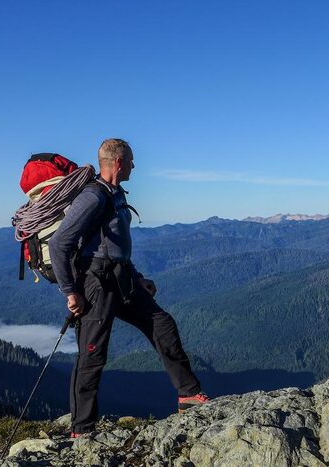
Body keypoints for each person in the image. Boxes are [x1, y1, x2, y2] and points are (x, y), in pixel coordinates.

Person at [50, 138, 208, 436]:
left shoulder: (115, 194)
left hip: (122, 278)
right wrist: (70, 291)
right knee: (92, 352)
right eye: (132, 161)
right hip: (97, 283)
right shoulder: (93, 197)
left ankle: (188, 394)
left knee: (162, 324)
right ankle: (81, 428)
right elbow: (60, 243)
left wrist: (136, 276)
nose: (135, 165)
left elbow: (115, 245)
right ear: (119, 162)